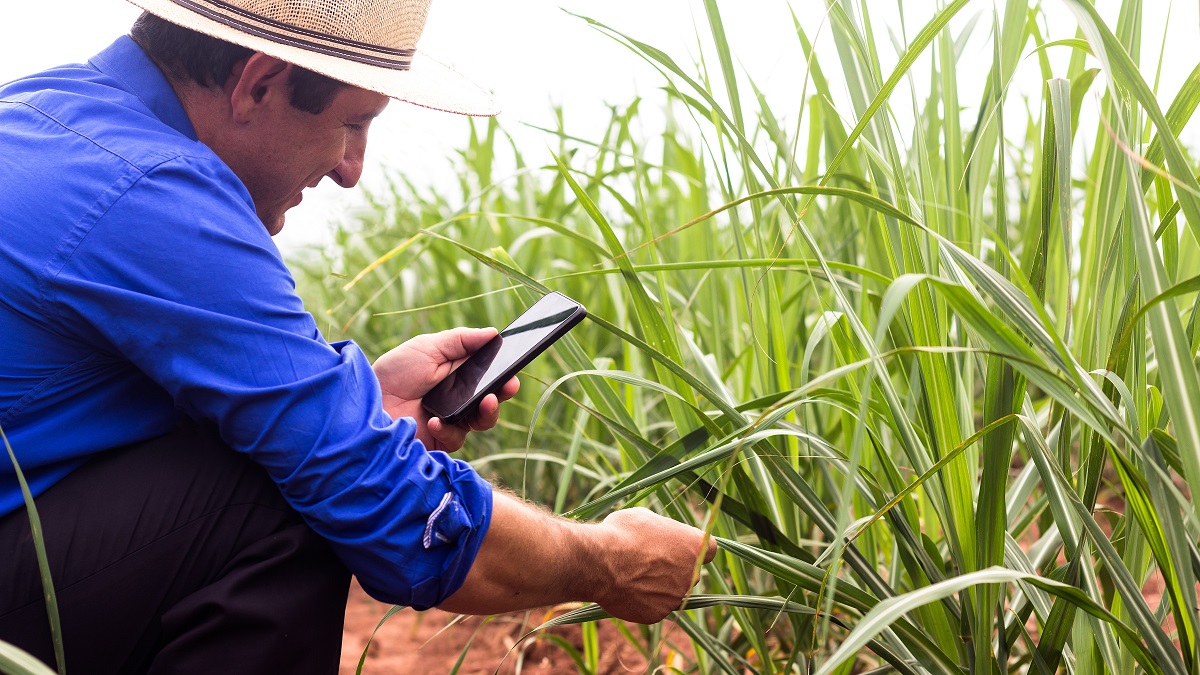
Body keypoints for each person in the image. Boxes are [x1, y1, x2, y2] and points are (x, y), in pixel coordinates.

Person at [0, 0, 717, 673]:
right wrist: (612, 561)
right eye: (354, 122)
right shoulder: (155, 191)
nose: (351, 169)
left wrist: (363, 404)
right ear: (260, 82)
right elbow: (394, 511)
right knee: (284, 498)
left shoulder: (45, 110)